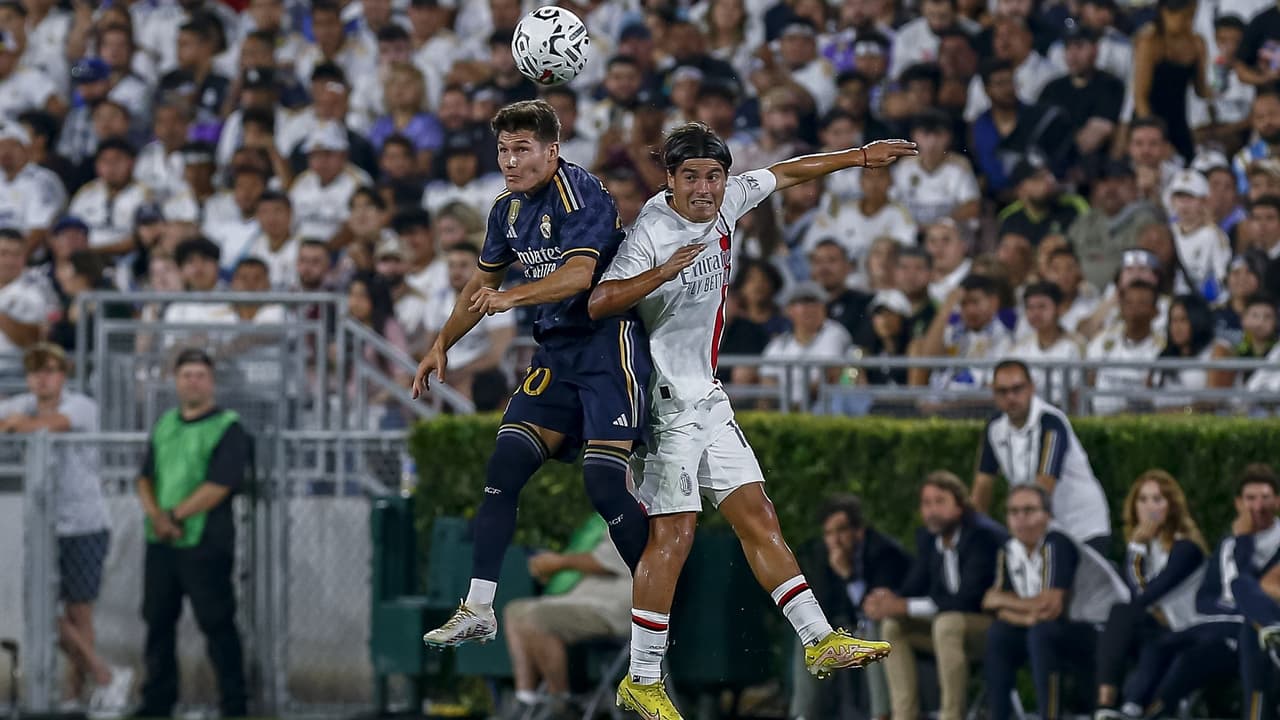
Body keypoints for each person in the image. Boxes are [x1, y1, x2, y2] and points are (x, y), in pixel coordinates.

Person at [587, 121, 917, 717]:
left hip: (708, 397)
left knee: (758, 515)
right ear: (670, 179)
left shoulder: (729, 198)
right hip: (662, 404)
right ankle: (641, 677)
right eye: (692, 177)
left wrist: (861, 157)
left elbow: (791, 170)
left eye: (714, 176)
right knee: (675, 535)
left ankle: (819, 640)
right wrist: (659, 273)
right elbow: (599, 302)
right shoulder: (649, 234)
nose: (706, 189)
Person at [414, 100, 652, 648]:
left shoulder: (582, 192)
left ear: (553, 150)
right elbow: (480, 286)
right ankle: (478, 608)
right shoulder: (506, 209)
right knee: (506, 462)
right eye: (503, 149)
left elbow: (578, 275)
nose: (510, 160)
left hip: (607, 348)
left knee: (603, 482)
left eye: (523, 149)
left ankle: (656, 615)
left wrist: (511, 297)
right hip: (555, 354)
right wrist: (440, 344)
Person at [0, 344, 132, 715]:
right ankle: (106, 676)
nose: (43, 377)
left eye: (51, 370)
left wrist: (15, 424)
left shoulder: (81, 405)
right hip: (44, 524)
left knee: (78, 615)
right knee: (40, 608)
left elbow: (52, 427)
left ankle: (78, 695)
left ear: (64, 375)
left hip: (83, 523)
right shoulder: (24, 405)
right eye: (36, 371)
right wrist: (14, 420)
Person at [135, 348, 252, 719]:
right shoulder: (165, 423)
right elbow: (144, 477)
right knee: (157, 624)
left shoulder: (229, 427)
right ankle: (157, 703)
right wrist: (157, 517)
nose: (193, 381)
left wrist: (172, 515)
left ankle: (234, 706)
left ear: (212, 380)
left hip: (206, 545)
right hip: (162, 543)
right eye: (186, 375)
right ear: (175, 380)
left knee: (218, 626)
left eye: (200, 375)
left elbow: (220, 484)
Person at [867, 471, 1007, 720]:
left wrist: (905, 606)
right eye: (926, 503)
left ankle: (951, 715)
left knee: (947, 623)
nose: (931, 511)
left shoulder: (981, 537)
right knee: (892, 627)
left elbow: (970, 599)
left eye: (940, 502)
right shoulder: (930, 539)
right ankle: (903, 715)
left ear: (960, 506)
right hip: (949, 631)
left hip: (990, 628)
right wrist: (885, 600)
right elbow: (912, 588)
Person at [981, 485, 1126, 720]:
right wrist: (1026, 615)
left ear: (1047, 515)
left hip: (1103, 628)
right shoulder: (1009, 549)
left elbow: (1051, 606)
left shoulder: (1056, 542)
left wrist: (1003, 600)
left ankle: (1049, 715)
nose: (1020, 519)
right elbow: (995, 609)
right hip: (1054, 625)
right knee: (999, 634)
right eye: (1013, 512)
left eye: (1029, 510)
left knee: (1042, 633)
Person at [1094, 470, 1208, 717]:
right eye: (1143, 500)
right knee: (1114, 626)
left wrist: (1135, 550)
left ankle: (1106, 702)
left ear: (1172, 506)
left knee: (1123, 613)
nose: (1149, 508)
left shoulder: (1187, 548)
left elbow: (1144, 597)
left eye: (1158, 500)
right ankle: (1126, 706)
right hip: (1152, 627)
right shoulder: (1149, 547)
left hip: (1184, 627)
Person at [793, 494, 911, 720]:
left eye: (841, 531)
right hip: (845, 628)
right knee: (808, 636)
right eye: (828, 533)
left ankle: (881, 714)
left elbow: (874, 609)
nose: (835, 541)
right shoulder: (822, 555)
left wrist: (848, 576)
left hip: (885, 626)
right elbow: (819, 606)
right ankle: (803, 715)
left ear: (859, 531)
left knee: (871, 633)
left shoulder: (883, 553)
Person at [502, 514, 632, 720]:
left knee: (539, 617)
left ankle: (561, 704)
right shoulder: (607, 518)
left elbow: (604, 561)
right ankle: (526, 698)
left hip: (613, 608)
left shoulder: (643, 516)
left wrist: (558, 563)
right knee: (515, 610)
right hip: (583, 600)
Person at [975, 359, 1112, 552]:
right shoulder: (995, 427)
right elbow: (983, 484)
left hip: (1082, 527)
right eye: (1003, 392)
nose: (1011, 397)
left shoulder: (1051, 422)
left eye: (1017, 389)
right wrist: (975, 530)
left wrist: (1020, 527)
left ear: (1031, 388)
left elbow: (1044, 486)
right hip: (1038, 528)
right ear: (993, 393)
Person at [1132, 0, 1209, 163]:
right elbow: (1140, 97)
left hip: (1179, 120)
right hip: (1149, 118)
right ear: (1163, 13)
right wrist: (1154, 136)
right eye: (1177, 16)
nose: (1182, 21)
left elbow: (1201, 90)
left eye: (1188, 16)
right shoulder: (1150, 42)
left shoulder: (1197, 43)